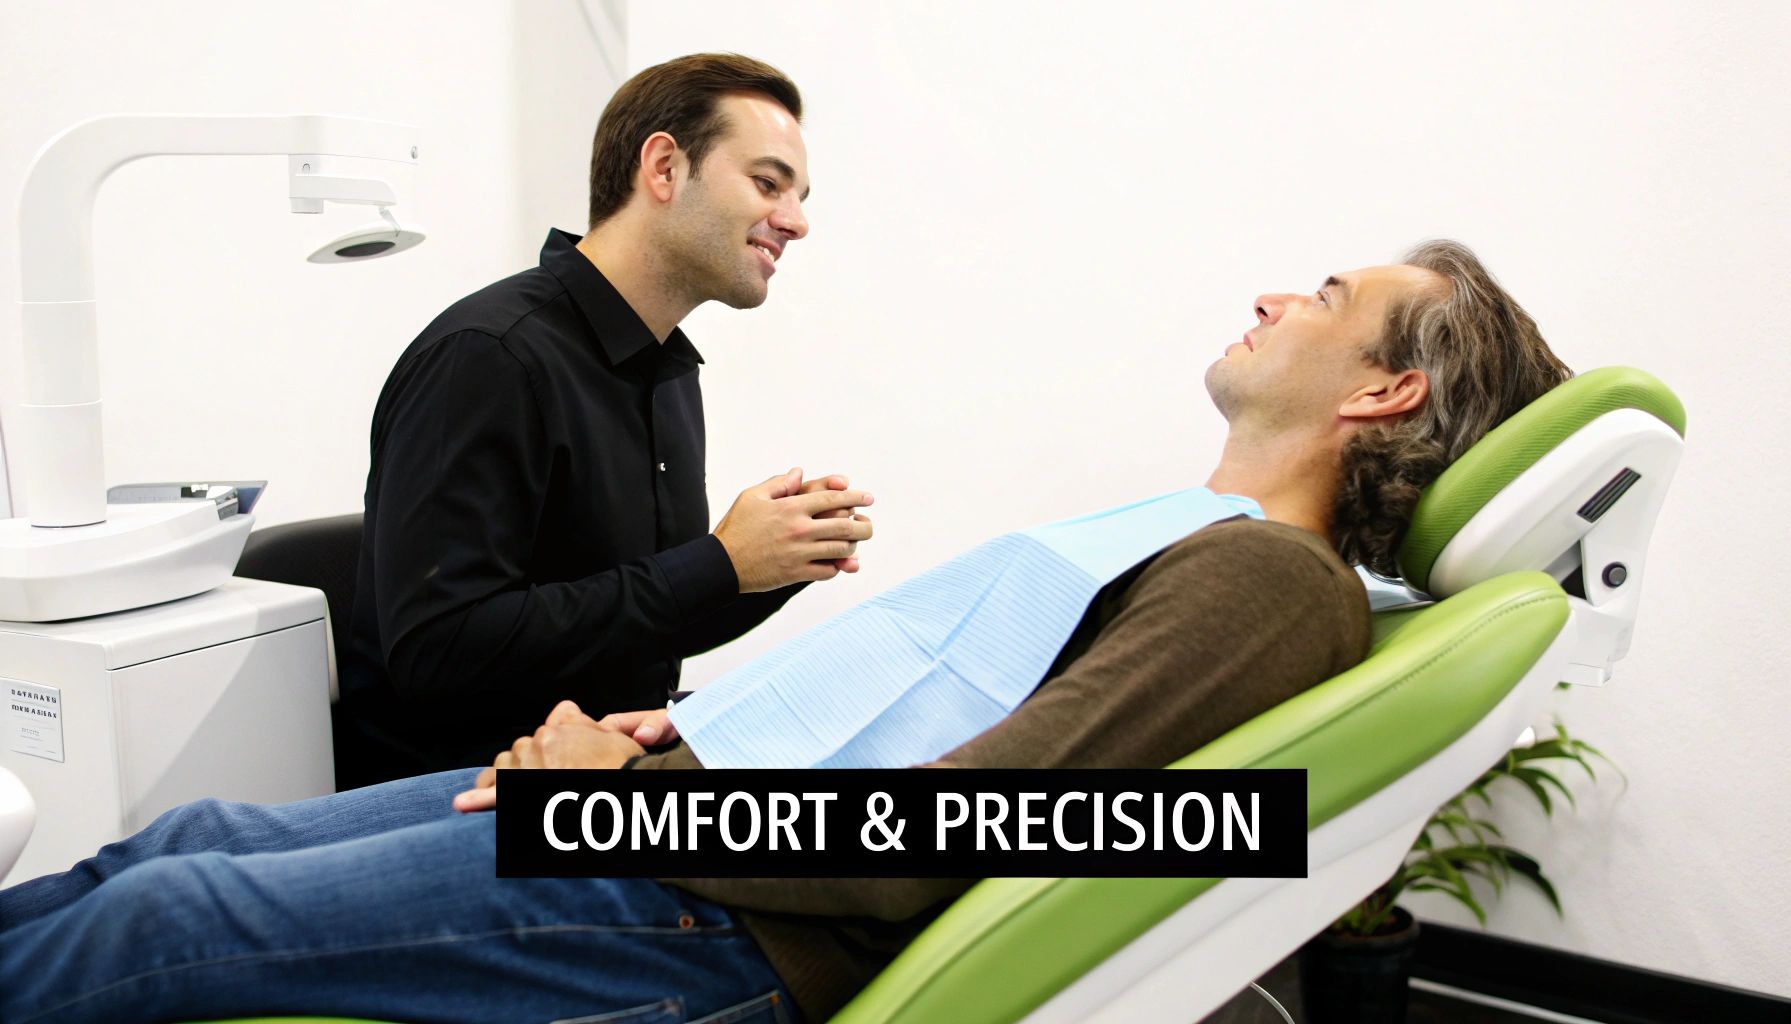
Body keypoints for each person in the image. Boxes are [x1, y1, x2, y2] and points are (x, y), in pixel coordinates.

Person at [0, 241, 1572, 1024]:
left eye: (1325, 296)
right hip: (680, 818)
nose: (1278, 298)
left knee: (173, 912)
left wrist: (607, 807)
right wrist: (675, 741)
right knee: (194, 835)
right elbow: (929, 720)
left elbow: (965, 828)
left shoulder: (1272, 585)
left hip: (717, 910)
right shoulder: (1200, 543)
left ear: (1386, 393)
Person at [337, 53, 877, 789]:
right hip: (470, 788)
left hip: (610, 755)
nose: (797, 221)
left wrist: (773, 563)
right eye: (768, 183)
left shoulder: (667, 370)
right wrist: (718, 564)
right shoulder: (489, 357)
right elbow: (439, 652)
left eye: (799, 196)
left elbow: (636, 623)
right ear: (664, 168)